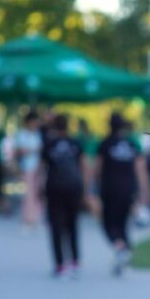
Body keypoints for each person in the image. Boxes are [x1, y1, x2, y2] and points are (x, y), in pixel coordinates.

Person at [94, 112, 150, 275]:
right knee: (123, 223)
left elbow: (98, 168)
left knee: (109, 223)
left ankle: (120, 247)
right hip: (128, 189)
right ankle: (124, 252)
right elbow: (140, 169)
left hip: (110, 189)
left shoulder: (105, 144)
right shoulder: (131, 144)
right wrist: (144, 190)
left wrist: (94, 186)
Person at [39, 114, 89, 278]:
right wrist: (85, 188)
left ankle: (60, 264)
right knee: (73, 224)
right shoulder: (76, 143)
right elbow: (84, 165)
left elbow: (41, 168)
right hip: (73, 186)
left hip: (54, 186)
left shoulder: (49, 144)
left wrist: (39, 188)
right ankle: (75, 261)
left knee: (56, 226)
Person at [14, 111, 44, 230]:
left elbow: (39, 150)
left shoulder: (38, 134)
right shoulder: (22, 134)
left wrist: (31, 150)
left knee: (37, 193)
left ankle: (36, 217)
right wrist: (33, 150)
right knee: (28, 193)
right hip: (27, 167)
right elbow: (20, 151)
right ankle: (27, 218)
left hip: (37, 168)